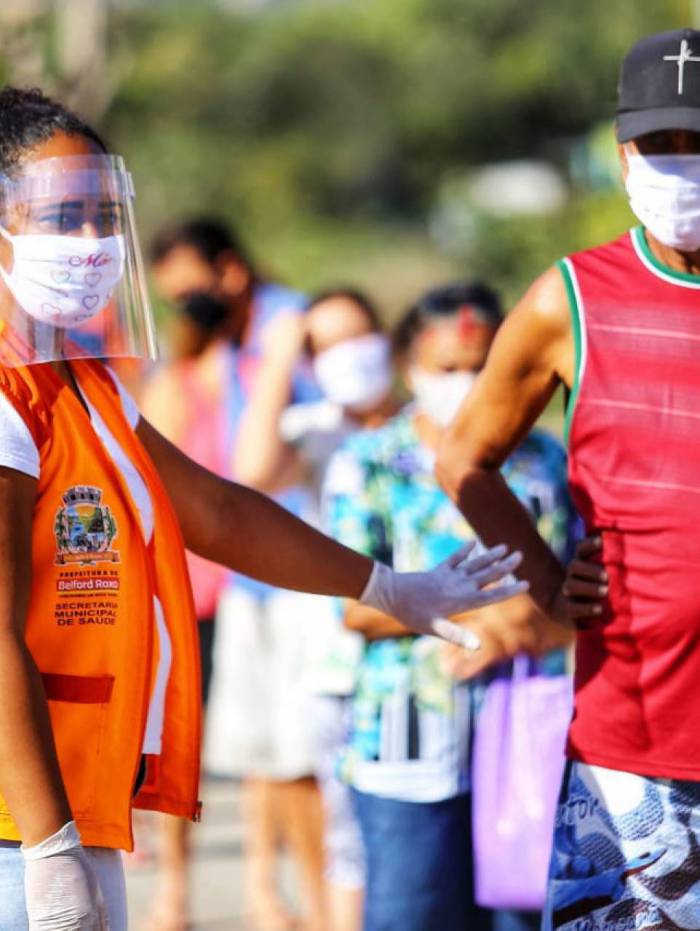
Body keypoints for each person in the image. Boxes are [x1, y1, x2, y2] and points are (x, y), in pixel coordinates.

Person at [0, 87, 526, 930]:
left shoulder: (76, 382)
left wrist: (387, 585)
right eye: (63, 216)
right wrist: (46, 847)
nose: (94, 241)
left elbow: (214, 510)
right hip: (20, 830)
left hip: (65, 806)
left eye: (105, 216)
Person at [435, 28, 700, 929]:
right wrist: (550, 584)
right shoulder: (570, 298)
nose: (684, 164)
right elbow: (463, 458)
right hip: (632, 746)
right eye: (663, 146)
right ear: (624, 154)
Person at [324, 281, 577, 931]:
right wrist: (477, 619)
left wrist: (526, 626)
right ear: (411, 367)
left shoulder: (545, 460)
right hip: (409, 748)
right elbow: (349, 604)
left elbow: (584, 589)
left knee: (527, 916)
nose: (465, 382)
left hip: (532, 737)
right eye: (447, 368)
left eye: (480, 366)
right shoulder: (370, 463)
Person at [149, 218, 327, 931]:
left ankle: (297, 899)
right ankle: (207, 892)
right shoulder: (214, 345)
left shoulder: (289, 327)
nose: (187, 305)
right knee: (243, 747)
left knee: (287, 756)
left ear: (230, 269)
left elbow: (258, 466)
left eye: (193, 290)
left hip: (285, 564)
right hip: (225, 574)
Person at [235, 288, 402, 931]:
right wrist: (280, 358)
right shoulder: (314, 430)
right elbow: (249, 469)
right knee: (346, 841)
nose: (348, 358)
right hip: (338, 669)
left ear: (386, 339)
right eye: (325, 347)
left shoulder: (431, 424)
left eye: (357, 337)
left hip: (427, 662)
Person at [137, 286, 230, 930]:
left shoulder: (219, 379)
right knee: (176, 743)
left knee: (186, 745)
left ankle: (175, 886)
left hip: (222, 584)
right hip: (189, 590)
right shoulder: (171, 386)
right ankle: (173, 885)